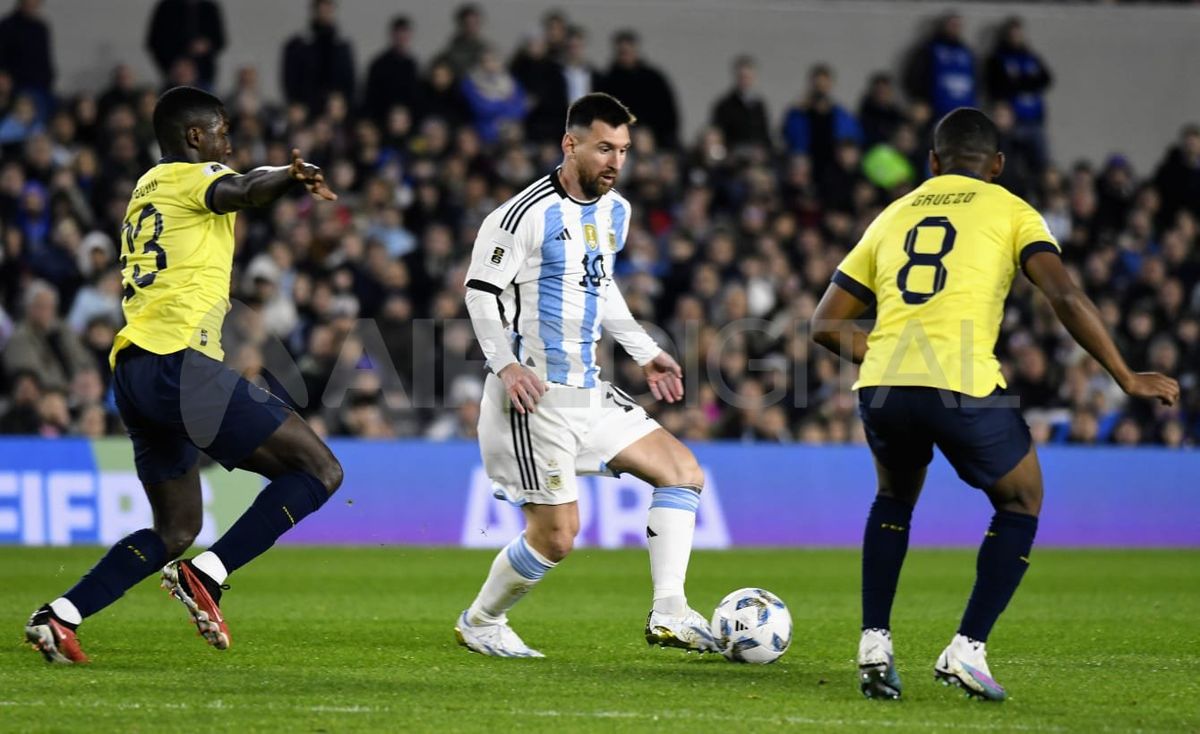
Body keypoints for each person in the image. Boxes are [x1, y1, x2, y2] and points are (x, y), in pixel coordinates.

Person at [810, 107, 1179, 701]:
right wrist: (1124, 374)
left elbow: (825, 325)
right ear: (997, 166)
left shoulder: (892, 214)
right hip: (959, 380)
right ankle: (967, 648)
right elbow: (1062, 292)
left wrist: (896, 351)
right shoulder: (1010, 209)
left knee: (893, 498)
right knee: (1023, 498)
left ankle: (874, 642)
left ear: (933, 163)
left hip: (882, 385)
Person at [24, 86, 344, 664]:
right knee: (320, 469)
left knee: (174, 528)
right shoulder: (192, 176)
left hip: (134, 372)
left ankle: (59, 616)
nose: (228, 142)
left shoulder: (144, 191)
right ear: (196, 137)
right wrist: (287, 177)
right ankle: (209, 575)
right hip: (178, 365)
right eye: (221, 131)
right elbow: (242, 188)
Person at [455, 93, 715, 658]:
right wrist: (506, 365)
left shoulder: (614, 211)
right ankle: (480, 621)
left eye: (623, 150)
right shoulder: (519, 216)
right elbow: (479, 295)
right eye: (604, 148)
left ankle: (669, 611)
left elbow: (600, 287)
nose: (615, 162)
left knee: (683, 473)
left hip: (590, 391)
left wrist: (645, 351)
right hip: (534, 399)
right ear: (570, 144)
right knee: (556, 539)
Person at [984, 17, 1052, 169]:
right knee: (1012, 164)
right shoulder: (998, 58)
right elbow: (996, 86)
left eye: (1019, 34)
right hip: (1013, 123)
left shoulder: (1030, 56)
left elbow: (1046, 79)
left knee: (1041, 164)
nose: (1016, 38)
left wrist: (1019, 80)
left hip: (1034, 120)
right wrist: (1027, 81)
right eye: (1013, 34)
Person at [597, 30, 679, 149]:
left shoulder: (653, 79)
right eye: (622, 52)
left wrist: (651, 133)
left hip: (655, 139)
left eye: (628, 51)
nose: (626, 56)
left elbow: (667, 114)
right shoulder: (607, 82)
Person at [281, 0, 355, 114]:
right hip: (305, 109)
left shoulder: (342, 45)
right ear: (314, 11)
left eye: (328, 9)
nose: (324, 13)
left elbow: (350, 81)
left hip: (335, 109)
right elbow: (289, 79)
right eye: (321, 9)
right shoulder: (297, 45)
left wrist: (343, 105)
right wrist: (296, 104)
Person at [903, 13, 978, 119]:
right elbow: (915, 76)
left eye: (958, 25)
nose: (955, 28)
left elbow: (975, 80)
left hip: (963, 114)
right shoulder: (930, 49)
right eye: (952, 25)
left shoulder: (966, 52)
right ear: (944, 26)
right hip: (935, 112)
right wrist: (921, 100)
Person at [145, 0, 226, 90]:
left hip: (203, 72)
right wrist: (172, 64)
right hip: (172, 72)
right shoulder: (166, 7)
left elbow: (219, 41)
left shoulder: (209, 8)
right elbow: (155, 41)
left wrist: (206, 45)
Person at [362, 16, 421, 127]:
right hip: (383, 122)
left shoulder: (412, 64)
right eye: (399, 33)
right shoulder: (379, 64)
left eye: (405, 33)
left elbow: (415, 97)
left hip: (407, 124)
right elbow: (371, 98)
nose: (402, 37)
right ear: (392, 35)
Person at [711, 55, 772, 152]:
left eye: (748, 77)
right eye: (742, 77)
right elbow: (719, 136)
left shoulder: (759, 105)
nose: (745, 81)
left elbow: (765, 135)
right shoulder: (724, 106)